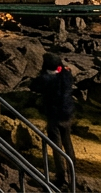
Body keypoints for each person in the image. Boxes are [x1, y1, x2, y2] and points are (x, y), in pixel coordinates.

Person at [30, 52, 77, 188]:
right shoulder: (66, 75)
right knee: (68, 144)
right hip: (67, 114)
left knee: (57, 147)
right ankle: (73, 176)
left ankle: (61, 177)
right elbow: (65, 72)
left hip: (54, 116)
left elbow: (35, 86)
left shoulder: (46, 79)